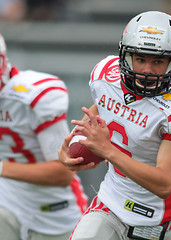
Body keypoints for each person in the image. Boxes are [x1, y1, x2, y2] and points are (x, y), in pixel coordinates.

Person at [58, 11, 171, 240]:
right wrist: (70, 146)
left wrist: (107, 150)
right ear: (126, 56)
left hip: (157, 226)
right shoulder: (106, 79)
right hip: (109, 207)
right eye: (140, 59)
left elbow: (163, 183)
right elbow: (98, 110)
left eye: (158, 61)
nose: (147, 70)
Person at [0, 33, 88, 240]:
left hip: (53, 213)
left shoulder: (31, 95)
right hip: (7, 202)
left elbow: (62, 171)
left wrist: (1, 168)